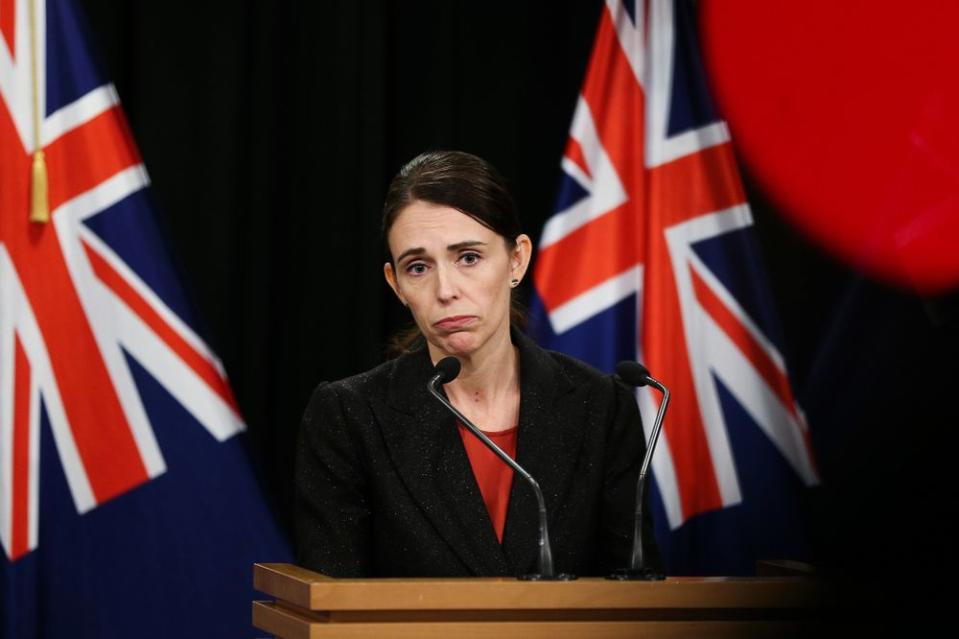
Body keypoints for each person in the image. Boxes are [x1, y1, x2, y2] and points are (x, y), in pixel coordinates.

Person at [294, 150, 660, 577]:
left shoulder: (600, 407)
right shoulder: (349, 416)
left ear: (517, 260)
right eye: (418, 267)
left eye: (468, 257)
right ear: (396, 284)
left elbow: (634, 594)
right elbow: (332, 605)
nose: (445, 289)